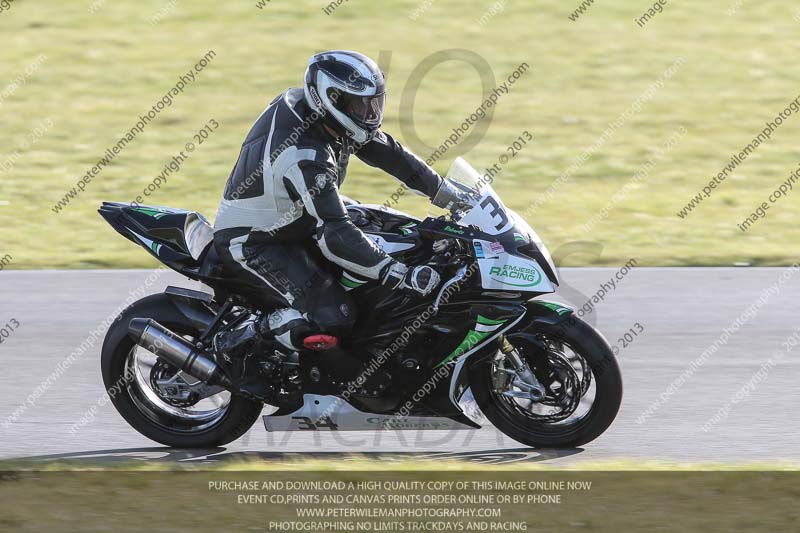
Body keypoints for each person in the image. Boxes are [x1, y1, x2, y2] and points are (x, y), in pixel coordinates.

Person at [213, 50, 465, 352]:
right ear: (330, 98)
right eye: (361, 105)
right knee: (334, 316)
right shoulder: (305, 155)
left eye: (374, 104)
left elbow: (392, 155)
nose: (370, 114)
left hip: (298, 216)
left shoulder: (321, 115)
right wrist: (398, 274)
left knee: (404, 234)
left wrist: (452, 196)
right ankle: (240, 339)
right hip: (258, 240)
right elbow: (336, 235)